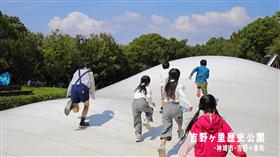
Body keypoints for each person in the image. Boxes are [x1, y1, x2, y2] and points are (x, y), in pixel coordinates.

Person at [176, 94, 247, 157]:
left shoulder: (198, 124)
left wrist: (181, 155)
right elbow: (233, 140)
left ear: (202, 108)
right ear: (214, 106)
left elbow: (187, 145)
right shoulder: (222, 122)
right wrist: (241, 153)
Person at [158, 68, 193, 156]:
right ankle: (180, 130)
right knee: (179, 120)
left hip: (166, 107)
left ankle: (162, 145)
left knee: (166, 128)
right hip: (175, 107)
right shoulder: (178, 85)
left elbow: (163, 97)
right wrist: (189, 104)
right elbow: (182, 96)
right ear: (178, 76)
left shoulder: (166, 85)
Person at [65, 61, 95, 127]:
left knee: (76, 110)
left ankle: (71, 105)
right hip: (83, 89)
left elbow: (71, 82)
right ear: (89, 67)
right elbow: (92, 84)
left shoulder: (76, 72)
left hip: (74, 89)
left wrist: (68, 93)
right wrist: (93, 95)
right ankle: (82, 122)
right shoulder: (90, 72)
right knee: (86, 106)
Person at [132, 75, 155, 142]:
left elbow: (135, 95)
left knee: (137, 119)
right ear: (148, 82)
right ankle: (147, 120)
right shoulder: (147, 88)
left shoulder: (137, 88)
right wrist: (152, 103)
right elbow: (149, 97)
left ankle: (138, 135)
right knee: (150, 110)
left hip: (134, 103)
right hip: (141, 102)